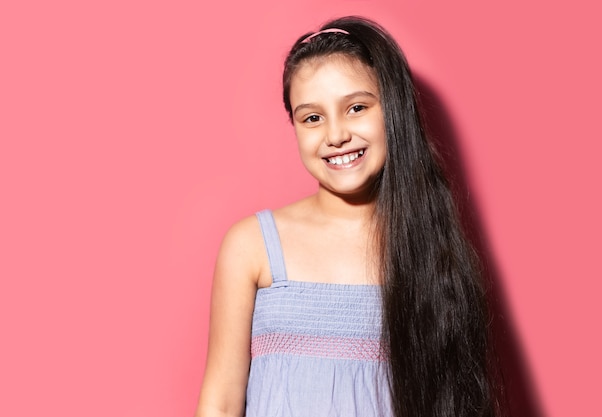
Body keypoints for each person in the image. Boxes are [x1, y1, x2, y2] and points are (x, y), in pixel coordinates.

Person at [195, 16, 500, 417]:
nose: (335, 134)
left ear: (393, 110)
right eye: (312, 118)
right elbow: (219, 402)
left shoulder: (430, 251)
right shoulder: (251, 246)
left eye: (356, 107)